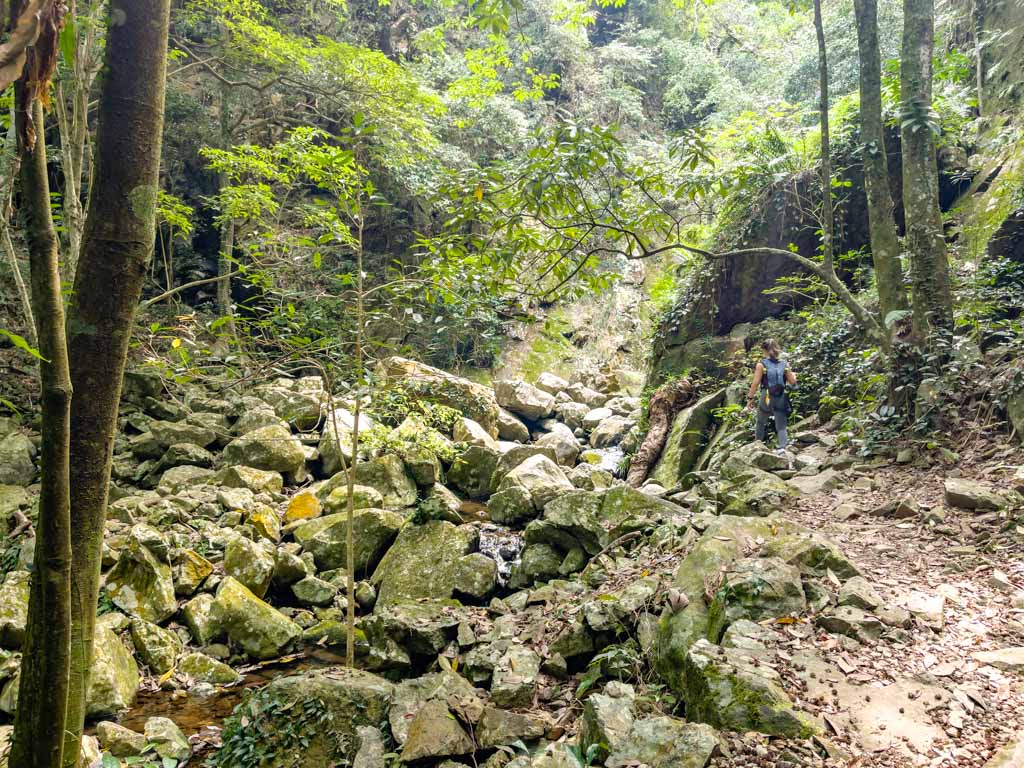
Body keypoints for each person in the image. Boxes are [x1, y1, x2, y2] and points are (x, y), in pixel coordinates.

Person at [745, 338, 797, 453]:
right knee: (781, 426)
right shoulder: (785, 364)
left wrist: (750, 398)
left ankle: (757, 447)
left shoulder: (761, 364)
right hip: (780, 396)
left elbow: (755, 383)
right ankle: (783, 448)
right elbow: (793, 382)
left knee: (760, 422)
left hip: (767, 396)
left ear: (765, 350)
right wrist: (794, 376)